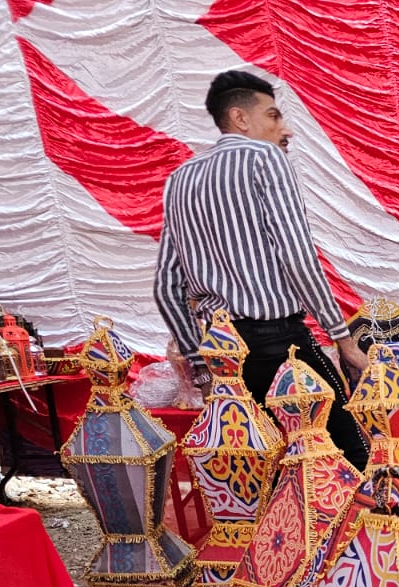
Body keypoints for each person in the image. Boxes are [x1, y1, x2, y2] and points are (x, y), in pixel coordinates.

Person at [154, 69, 367, 466]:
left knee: (264, 466)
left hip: (222, 355)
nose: (285, 130)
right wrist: (343, 338)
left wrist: (201, 367)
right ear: (240, 118)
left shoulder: (179, 178)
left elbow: (166, 286)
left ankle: (286, 530)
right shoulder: (263, 157)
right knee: (347, 453)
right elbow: (296, 254)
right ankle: (364, 528)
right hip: (277, 344)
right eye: (273, 116)